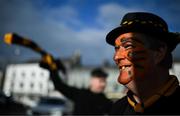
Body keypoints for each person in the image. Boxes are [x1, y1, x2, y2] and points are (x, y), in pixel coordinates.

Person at [105, 12, 180, 115]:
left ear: (159, 52)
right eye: (117, 49)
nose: (116, 57)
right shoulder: (118, 109)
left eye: (128, 46)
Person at [40, 60, 112, 115]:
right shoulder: (80, 94)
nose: (103, 84)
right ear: (92, 80)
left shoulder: (105, 101)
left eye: (105, 81)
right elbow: (59, 86)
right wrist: (52, 69)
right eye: (101, 81)